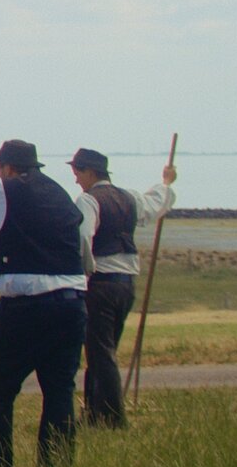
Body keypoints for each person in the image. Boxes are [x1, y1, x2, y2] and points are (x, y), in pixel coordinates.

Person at [0, 139, 91, 467]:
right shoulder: (59, 195)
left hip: (25, 308)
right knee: (59, 390)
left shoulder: (7, 189)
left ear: (9, 168)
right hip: (71, 304)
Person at [68, 149, 177, 429]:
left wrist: (84, 272)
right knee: (102, 350)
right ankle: (94, 413)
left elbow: (83, 236)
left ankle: (114, 418)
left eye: (78, 172)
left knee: (101, 353)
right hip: (126, 284)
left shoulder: (88, 200)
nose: (76, 178)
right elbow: (157, 203)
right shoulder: (129, 197)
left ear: (91, 172)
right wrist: (166, 183)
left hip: (101, 283)